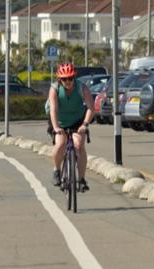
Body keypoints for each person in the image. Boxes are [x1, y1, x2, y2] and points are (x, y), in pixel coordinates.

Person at [48, 62, 94, 192]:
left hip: (78, 122)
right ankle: (57, 170)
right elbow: (53, 109)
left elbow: (91, 107)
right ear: (59, 79)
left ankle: (81, 179)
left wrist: (85, 124)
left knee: (79, 145)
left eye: (70, 78)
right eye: (64, 79)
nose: (67, 81)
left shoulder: (82, 88)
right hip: (60, 122)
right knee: (60, 144)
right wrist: (56, 127)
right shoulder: (54, 89)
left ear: (74, 77)